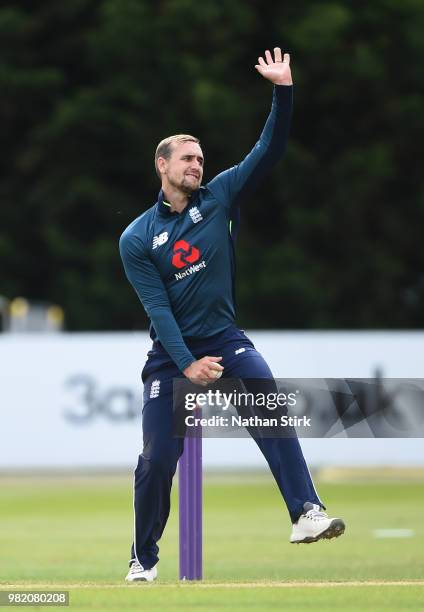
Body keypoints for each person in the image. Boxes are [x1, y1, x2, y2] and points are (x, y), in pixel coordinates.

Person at [119, 48, 345, 583]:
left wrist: (283, 91)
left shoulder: (218, 196)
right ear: (162, 166)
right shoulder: (136, 238)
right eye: (187, 159)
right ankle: (142, 559)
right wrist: (187, 364)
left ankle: (306, 513)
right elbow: (159, 310)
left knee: (266, 395)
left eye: (200, 158)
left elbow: (270, 149)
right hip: (171, 358)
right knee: (156, 460)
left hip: (224, 338)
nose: (197, 165)